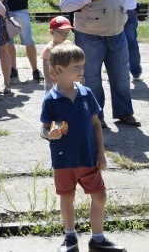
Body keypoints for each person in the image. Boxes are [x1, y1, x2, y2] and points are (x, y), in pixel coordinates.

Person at [40, 43, 126, 252]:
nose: (81, 70)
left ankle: (97, 239)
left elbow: (96, 124)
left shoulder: (86, 93)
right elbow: (43, 129)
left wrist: (102, 154)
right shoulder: (51, 100)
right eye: (76, 67)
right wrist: (49, 134)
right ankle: (70, 238)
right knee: (67, 197)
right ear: (59, 70)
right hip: (64, 160)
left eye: (82, 66)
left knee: (99, 196)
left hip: (88, 157)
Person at [59, 0, 139, 128]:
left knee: (121, 76)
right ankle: (97, 117)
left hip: (116, 33)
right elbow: (64, 5)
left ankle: (124, 113)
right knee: (92, 79)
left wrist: (124, 16)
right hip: (89, 36)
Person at [0, 0, 41, 83]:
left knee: (28, 41)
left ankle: (35, 70)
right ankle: (13, 70)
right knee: (9, 42)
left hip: (22, 10)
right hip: (6, 12)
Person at [42, 16, 74, 93]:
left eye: (67, 33)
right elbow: (45, 65)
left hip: (67, 80)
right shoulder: (49, 48)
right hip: (53, 82)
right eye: (61, 32)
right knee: (52, 101)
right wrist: (48, 81)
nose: (65, 35)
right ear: (52, 32)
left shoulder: (70, 45)